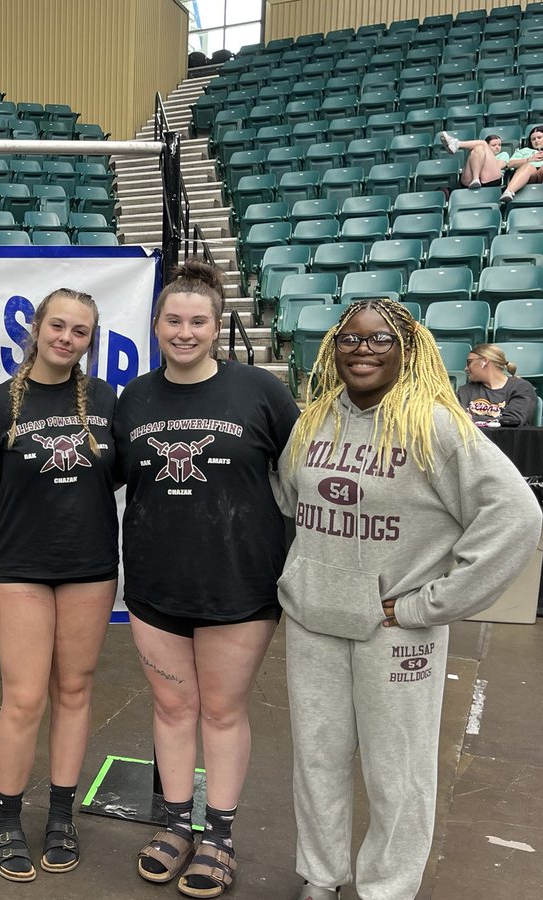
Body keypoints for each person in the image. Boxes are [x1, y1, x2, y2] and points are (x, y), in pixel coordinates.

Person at [275, 298, 543, 900]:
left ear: (408, 349)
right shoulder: (313, 420)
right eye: (349, 339)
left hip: (396, 631)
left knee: (397, 771)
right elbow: (290, 499)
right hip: (314, 620)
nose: (362, 350)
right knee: (317, 760)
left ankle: (387, 889)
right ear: (333, 349)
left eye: (380, 340)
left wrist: (431, 604)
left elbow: (517, 517)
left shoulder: (435, 426)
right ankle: (321, 876)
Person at [113, 258, 300, 899]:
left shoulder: (261, 391)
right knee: (172, 707)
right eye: (173, 320)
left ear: (217, 326)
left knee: (221, 712)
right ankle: (174, 824)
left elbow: (306, 474)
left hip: (240, 582)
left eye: (197, 321)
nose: (184, 332)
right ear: (156, 325)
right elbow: (106, 477)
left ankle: (218, 836)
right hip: (154, 581)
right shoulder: (133, 398)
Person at [0, 288, 119, 882]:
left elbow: (121, 476)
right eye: (58, 326)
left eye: (80, 332)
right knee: (25, 698)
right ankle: (7, 819)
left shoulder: (106, 400)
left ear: (90, 341)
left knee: (74, 691)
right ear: (36, 327)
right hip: (20, 570)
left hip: (90, 568)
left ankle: (60, 816)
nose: (66, 339)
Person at [457, 343, 539, 427]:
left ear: (484, 362)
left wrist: (472, 418)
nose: (466, 368)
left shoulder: (521, 388)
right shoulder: (464, 391)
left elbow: (513, 420)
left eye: (469, 362)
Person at [437, 131, 509, 189]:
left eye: (499, 145)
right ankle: (475, 179)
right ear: (487, 146)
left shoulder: (503, 154)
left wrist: (485, 161)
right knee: (478, 148)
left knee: (482, 143)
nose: (497, 147)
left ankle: (457, 144)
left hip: (492, 180)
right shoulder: (476, 152)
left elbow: (499, 166)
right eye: (494, 145)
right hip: (470, 181)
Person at [500, 124, 543, 203]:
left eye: (539, 137)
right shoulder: (524, 150)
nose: (536, 141)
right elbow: (509, 164)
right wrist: (529, 159)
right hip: (528, 176)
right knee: (528, 167)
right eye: (533, 139)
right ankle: (509, 192)